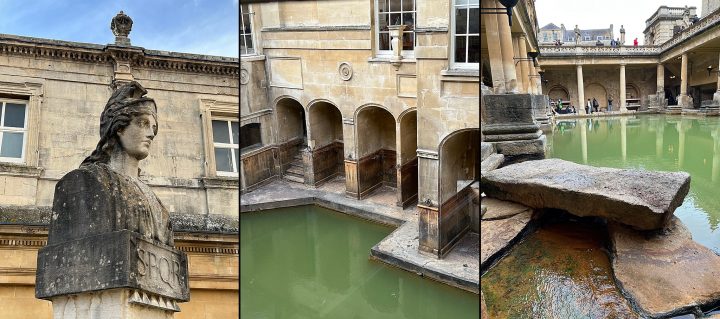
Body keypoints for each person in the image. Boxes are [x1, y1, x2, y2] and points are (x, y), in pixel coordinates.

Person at [48, 81, 174, 246]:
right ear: (118, 128)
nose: (151, 134)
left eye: (154, 128)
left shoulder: (159, 205)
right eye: (143, 124)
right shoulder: (88, 181)